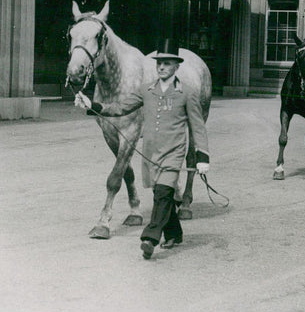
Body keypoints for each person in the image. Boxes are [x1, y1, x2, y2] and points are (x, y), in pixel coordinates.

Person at [74, 38, 210, 260]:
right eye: (159, 64)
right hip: (151, 152)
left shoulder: (187, 92)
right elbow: (121, 108)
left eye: (167, 63)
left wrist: (202, 156)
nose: (162, 67)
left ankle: (150, 237)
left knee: (164, 193)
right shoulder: (147, 90)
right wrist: (93, 105)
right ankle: (174, 233)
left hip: (174, 152)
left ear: (177, 67)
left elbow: (197, 125)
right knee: (161, 193)